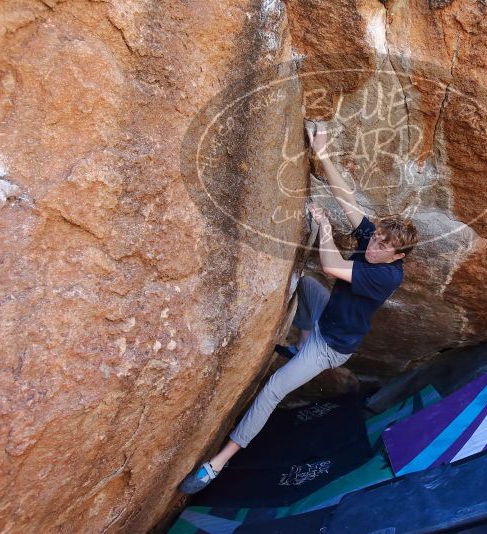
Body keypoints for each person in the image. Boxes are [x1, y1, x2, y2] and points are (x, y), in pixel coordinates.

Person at [179, 122, 418, 494]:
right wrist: (321, 153)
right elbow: (346, 199)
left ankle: (217, 464)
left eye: (385, 246)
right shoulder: (376, 240)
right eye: (379, 238)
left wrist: (323, 228)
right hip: (325, 320)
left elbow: (332, 267)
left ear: (398, 256)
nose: (375, 246)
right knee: (305, 286)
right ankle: (300, 343)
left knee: (274, 388)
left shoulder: (388, 277)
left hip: (332, 346)